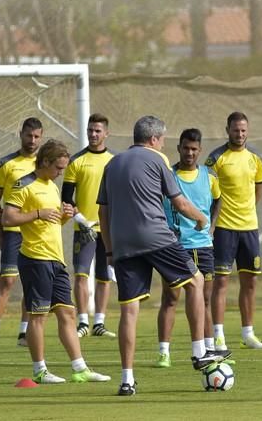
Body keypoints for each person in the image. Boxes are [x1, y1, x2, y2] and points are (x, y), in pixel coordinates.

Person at [97, 115, 230, 396]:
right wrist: (202, 220)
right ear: (155, 139)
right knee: (195, 282)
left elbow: (103, 212)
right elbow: (179, 202)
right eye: (164, 140)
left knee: (129, 310)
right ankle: (199, 352)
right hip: (156, 237)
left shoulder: (112, 164)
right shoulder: (157, 160)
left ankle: (127, 379)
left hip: (122, 244)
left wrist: (110, 250)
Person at [1, 139, 110, 384]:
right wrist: (38, 213)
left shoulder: (51, 186)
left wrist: (63, 217)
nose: (61, 172)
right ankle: (40, 370)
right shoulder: (24, 185)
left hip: (56, 260)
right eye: (58, 167)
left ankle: (79, 368)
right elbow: (8, 218)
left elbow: (49, 222)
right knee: (38, 316)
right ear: (46, 162)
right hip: (35, 259)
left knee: (68, 314)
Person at [156, 128, 222, 368]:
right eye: (186, 148)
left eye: (194, 149)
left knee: (205, 299)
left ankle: (208, 348)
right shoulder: (169, 176)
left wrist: (211, 227)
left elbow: (218, 200)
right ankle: (164, 351)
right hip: (175, 247)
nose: (190, 153)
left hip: (203, 246)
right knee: (170, 298)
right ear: (179, 148)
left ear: (200, 150)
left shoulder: (209, 176)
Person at [205, 111, 262, 350]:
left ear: (247, 130)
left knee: (249, 282)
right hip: (223, 228)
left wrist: (247, 211)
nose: (239, 134)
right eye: (235, 130)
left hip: (249, 228)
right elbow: (209, 191)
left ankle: (248, 333)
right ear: (227, 130)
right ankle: (219, 334)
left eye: (243, 130)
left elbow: (258, 190)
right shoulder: (216, 158)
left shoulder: (257, 158)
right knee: (221, 282)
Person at [0, 117, 43, 350]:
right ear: (21, 134)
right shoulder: (5, 164)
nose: (32, 140)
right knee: (8, 280)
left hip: (36, 232)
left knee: (31, 282)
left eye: (37, 136)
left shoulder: (43, 164)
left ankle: (23, 333)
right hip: (13, 231)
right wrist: (1, 232)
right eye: (29, 135)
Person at [61, 113, 116, 339]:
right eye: (90, 130)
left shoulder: (114, 161)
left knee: (105, 277)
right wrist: (81, 219)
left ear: (106, 133)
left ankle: (99, 323)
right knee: (81, 275)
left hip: (108, 230)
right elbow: (66, 197)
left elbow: (117, 195)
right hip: (84, 230)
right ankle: (83, 321)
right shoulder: (76, 161)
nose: (93, 134)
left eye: (98, 131)